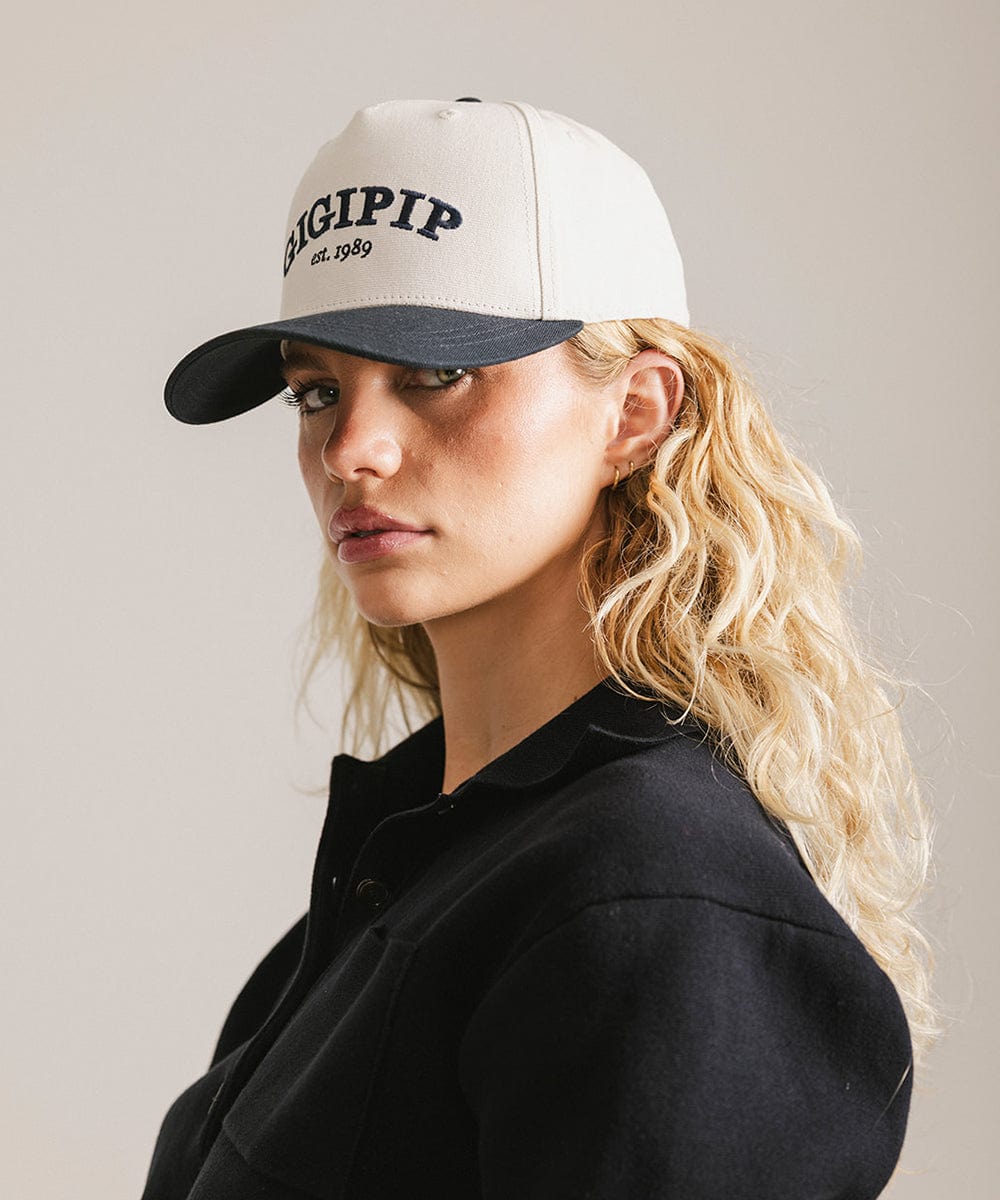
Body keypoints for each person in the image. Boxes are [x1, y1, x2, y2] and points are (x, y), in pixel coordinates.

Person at [142, 98, 935, 1199]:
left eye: (435, 373)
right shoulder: (424, 858)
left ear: (635, 414)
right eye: (318, 389)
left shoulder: (654, 901)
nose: (350, 450)